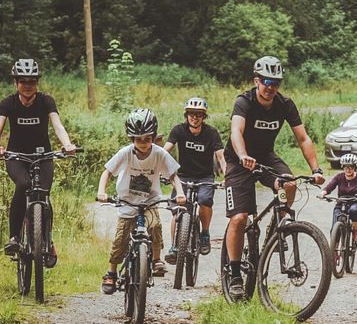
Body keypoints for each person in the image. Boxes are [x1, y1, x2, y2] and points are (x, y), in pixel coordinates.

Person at [224, 55, 325, 298]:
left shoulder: (285, 104)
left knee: (289, 183)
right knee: (239, 218)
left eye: (276, 82)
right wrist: (242, 154)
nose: (271, 87)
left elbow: (303, 138)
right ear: (256, 80)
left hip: (266, 156)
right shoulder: (244, 101)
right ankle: (235, 272)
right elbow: (236, 131)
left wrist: (316, 169)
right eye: (267, 81)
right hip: (240, 160)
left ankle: (278, 228)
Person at [97, 108, 186, 295]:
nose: (143, 144)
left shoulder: (159, 154)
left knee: (154, 226)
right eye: (138, 139)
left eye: (147, 139)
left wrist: (180, 193)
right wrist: (101, 191)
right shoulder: (125, 153)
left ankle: (155, 260)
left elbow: (172, 176)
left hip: (149, 201)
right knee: (120, 239)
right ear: (131, 139)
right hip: (127, 202)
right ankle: (111, 273)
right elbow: (108, 172)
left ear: (153, 137)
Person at [1, 59, 77, 267]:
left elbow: (57, 125)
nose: (28, 86)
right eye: (24, 81)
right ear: (16, 82)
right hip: (16, 157)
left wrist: (67, 144)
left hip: (43, 156)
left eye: (32, 81)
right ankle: (14, 238)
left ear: (37, 83)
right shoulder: (8, 103)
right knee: (23, 185)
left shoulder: (46, 101)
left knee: (43, 193)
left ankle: (47, 240)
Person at [163, 97, 226, 262]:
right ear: (186, 115)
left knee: (205, 200)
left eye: (198, 114)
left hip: (205, 176)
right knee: (177, 208)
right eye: (191, 113)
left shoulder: (211, 133)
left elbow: (221, 157)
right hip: (182, 176)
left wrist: (228, 176)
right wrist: (159, 169)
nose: (194, 117)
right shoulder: (178, 130)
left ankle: (205, 233)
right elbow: (164, 152)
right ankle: (174, 246)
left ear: (204, 116)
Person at [318, 153, 357, 242]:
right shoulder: (339, 177)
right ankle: (334, 250)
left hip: (356, 203)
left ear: (355, 167)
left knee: (354, 210)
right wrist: (323, 192)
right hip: (341, 204)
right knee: (334, 229)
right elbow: (330, 186)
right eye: (346, 167)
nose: (348, 170)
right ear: (342, 167)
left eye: (351, 167)